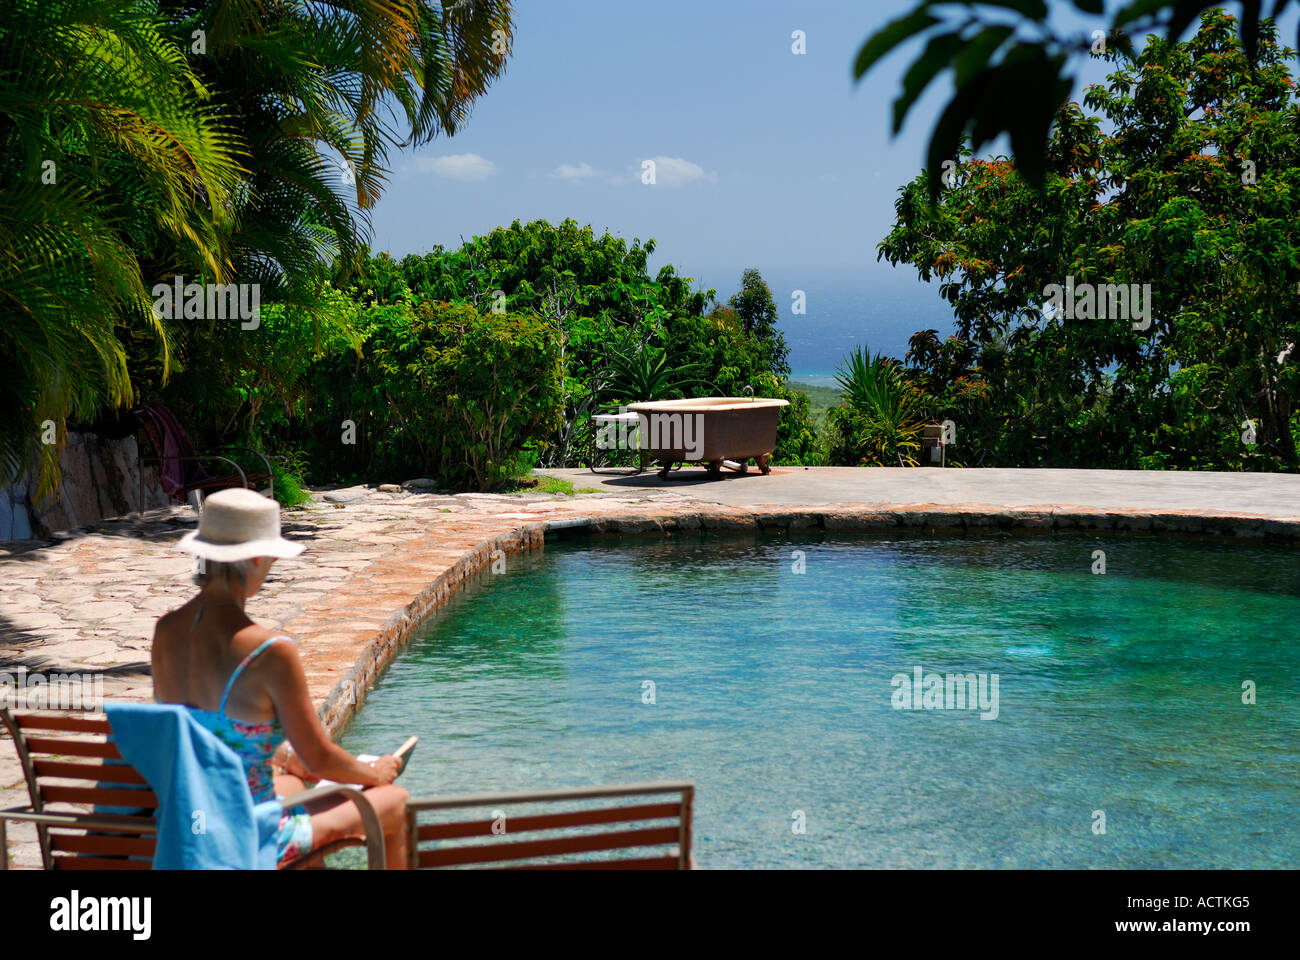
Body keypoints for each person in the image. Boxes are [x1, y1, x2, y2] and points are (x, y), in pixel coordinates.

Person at [151, 487, 409, 868]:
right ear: (256, 557)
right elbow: (320, 759)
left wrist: (283, 756)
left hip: (192, 823)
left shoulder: (167, 630)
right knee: (395, 801)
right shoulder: (269, 651)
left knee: (287, 784)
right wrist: (372, 771)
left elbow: (201, 730)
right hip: (248, 835)